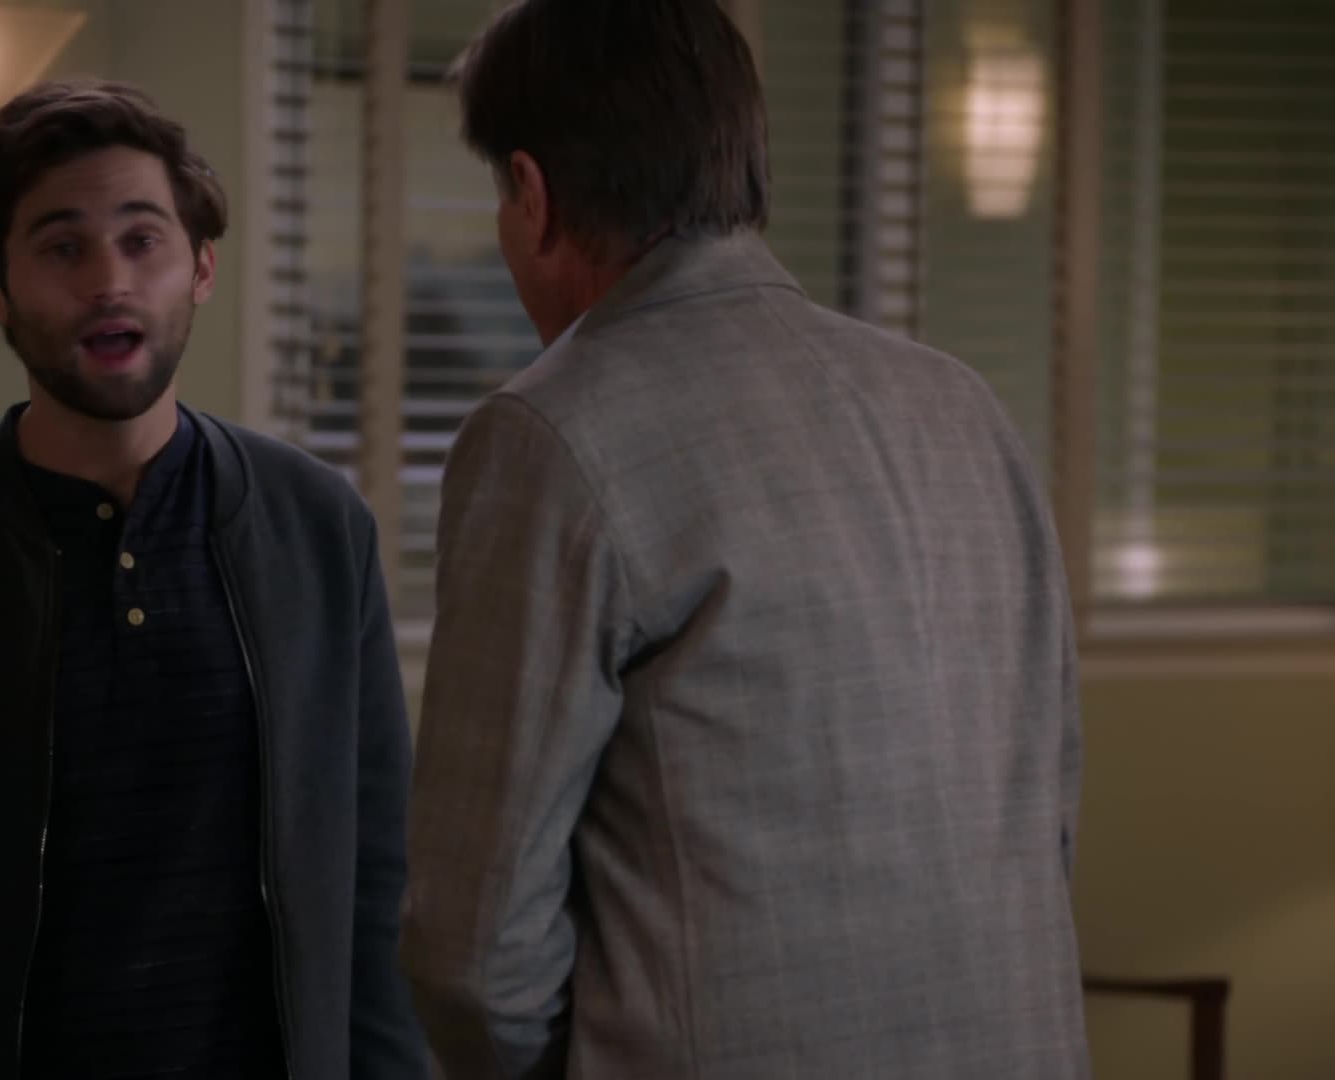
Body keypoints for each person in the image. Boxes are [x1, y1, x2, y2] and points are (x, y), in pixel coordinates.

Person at [400, 2, 1088, 1077]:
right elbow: (1044, 821)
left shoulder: (552, 435)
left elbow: (475, 960)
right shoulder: (964, 410)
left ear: (532, 197)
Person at [0, 80, 426, 1080]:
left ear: (202, 267)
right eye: (63, 248)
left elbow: (376, 874)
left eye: (142, 240)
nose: (110, 281)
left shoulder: (316, 525)